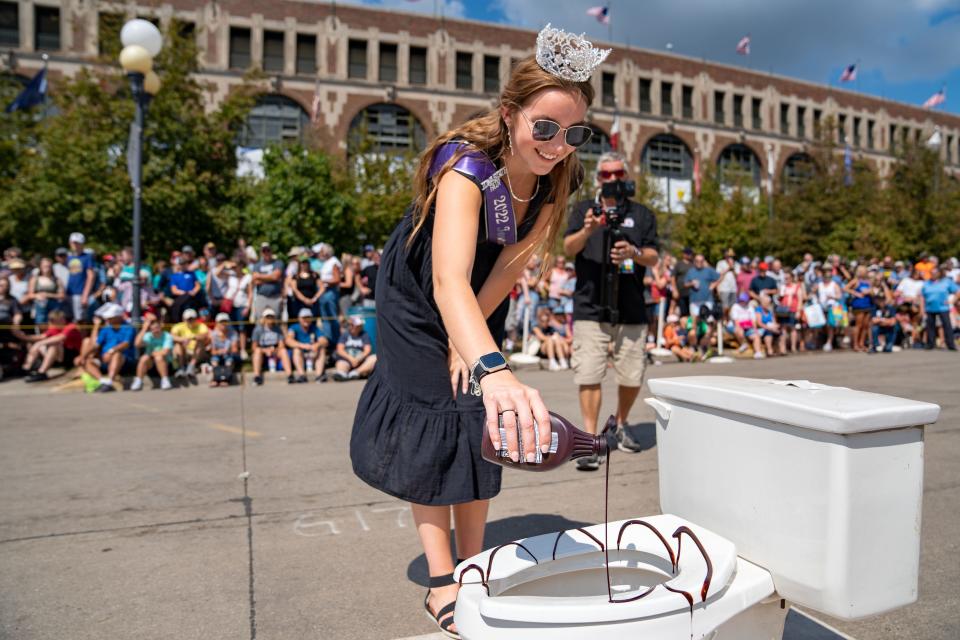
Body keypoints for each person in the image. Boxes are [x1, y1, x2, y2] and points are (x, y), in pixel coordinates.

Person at [349, 27, 604, 638]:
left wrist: (476, 350)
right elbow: (444, 282)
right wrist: (491, 367)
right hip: (417, 292)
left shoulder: (552, 182)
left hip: (475, 291)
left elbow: (509, 268)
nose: (557, 144)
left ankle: (475, 563)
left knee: (478, 418)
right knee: (436, 414)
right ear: (511, 115)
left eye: (575, 134)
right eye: (544, 128)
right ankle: (443, 580)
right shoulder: (466, 168)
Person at [563, 151, 659, 466]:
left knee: (632, 375)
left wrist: (633, 251)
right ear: (598, 179)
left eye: (619, 174)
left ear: (626, 175)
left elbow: (653, 256)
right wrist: (588, 230)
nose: (613, 180)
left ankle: (620, 422)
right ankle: (591, 438)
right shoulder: (583, 211)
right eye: (607, 175)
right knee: (589, 372)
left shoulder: (641, 214)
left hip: (630, 307)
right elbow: (567, 248)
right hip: (591, 306)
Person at [78, 302, 136, 392]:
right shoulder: (106, 329)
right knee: (88, 361)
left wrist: (111, 351)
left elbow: (126, 344)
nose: (108, 320)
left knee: (117, 355)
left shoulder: (128, 328)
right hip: (105, 359)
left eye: (111, 318)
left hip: (124, 361)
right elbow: (96, 345)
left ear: (118, 317)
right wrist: (83, 356)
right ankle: (103, 381)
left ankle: (110, 381)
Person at [21, 310, 82, 382]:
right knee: (40, 346)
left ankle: (42, 372)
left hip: (73, 355)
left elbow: (61, 337)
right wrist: (22, 336)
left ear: (61, 319)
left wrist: (39, 343)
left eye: (53, 321)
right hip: (61, 355)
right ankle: (26, 369)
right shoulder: (55, 328)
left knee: (53, 344)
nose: (51, 323)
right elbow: (42, 337)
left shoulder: (71, 327)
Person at [251, 307, 293, 385]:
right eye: (268, 317)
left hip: (275, 349)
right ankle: (256, 376)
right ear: (264, 318)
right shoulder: (258, 329)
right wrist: (265, 350)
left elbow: (281, 344)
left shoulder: (277, 329)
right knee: (257, 351)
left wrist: (274, 350)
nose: (269, 319)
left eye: (271, 316)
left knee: (283, 351)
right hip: (262, 349)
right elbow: (254, 346)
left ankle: (289, 375)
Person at [131, 314, 174, 391]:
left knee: (158, 357)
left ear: (161, 327)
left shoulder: (167, 336)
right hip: (151, 365)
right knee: (144, 358)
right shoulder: (148, 336)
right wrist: (144, 329)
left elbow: (165, 352)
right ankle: (138, 380)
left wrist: (152, 353)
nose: (155, 330)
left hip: (166, 364)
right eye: (153, 329)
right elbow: (137, 344)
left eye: (157, 328)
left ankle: (165, 380)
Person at [286, 308, 329, 383]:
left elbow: (324, 341)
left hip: (312, 353)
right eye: (304, 318)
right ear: (299, 318)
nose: (306, 320)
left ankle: (319, 376)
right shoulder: (294, 327)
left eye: (308, 317)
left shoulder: (314, 328)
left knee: (322, 349)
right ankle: (302, 375)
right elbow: (288, 341)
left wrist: (317, 344)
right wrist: (303, 345)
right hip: (301, 354)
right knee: (296, 350)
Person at [919, 267, 958, 350]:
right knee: (930, 327)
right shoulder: (926, 283)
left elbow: (957, 292)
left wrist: (952, 301)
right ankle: (930, 344)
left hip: (943, 308)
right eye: (932, 273)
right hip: (929, 308)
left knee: (947, 326)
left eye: (935, 272)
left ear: (939, 273)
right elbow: (922, 297)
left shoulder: (946, 282)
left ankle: (950, 344)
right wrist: (922, 308)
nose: (933, 274)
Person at [333, 316, 377, 381]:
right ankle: (342, 373)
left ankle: (356, 372)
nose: (359, 327)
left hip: (360, 361)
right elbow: (340, 350)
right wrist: (351, 359)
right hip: (346, 359)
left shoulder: (364, 335)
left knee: (374, 358)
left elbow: (367, 350)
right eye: (356, 325)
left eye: (359, 325)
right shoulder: (345, 335)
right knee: (340, 363)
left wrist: (358, 359)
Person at [170, 308, 210, 379]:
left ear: (196, 318)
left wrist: (192, 337)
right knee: (178, 344)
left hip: (198, 353)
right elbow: (172, 337)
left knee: (200, 342)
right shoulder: (178, 326)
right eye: (188, 319)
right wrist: (183, 339)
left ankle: (191, 366)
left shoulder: (201, 326)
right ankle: (181, 368)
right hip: (185, 352)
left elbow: (205, 335)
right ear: (184, 319)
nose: (190, 321)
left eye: (192, 319)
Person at [24, 257, 65, 324]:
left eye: (49, 266)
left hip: (53, 307)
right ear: (40, 267)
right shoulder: (34, 279)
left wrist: (48, 295)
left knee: (54, 322)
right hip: (40, 305)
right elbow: (30, 295)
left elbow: (62, 295)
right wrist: (37, 296)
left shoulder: (57, 280)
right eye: (45, 266)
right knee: (41, 321)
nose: (47, 269)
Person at [65, 232, 96, 321]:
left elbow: (91, 276)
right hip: (67, 293)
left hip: (79, 293)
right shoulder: (68, 257)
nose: (75, 245)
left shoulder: (87, 257)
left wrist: (85, 295)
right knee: (69, 319)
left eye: (77, 243)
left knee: (80, 320)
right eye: (73, 242)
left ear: (82, 244)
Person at [251, 242, 285, 320]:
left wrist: (260, 277)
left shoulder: (278, 263)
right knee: (260, 320)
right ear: (261, 253)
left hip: (275, 297)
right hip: (261, 296)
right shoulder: (257, 265)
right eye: (264, 251)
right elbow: (255, 280)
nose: (266, 253)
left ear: (271, 251)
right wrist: (271, 278)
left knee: (276, 320)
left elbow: (276, 276)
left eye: (268, 250)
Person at [845, 265, 874, 352]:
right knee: (858, 325)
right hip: (859, 305)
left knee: (865, 325)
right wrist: (856, 293)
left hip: (867, 304)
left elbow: (872, 292)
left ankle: (862, 343)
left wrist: (869, 292)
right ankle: (855, 344)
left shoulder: (868, 282)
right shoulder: (856, 281)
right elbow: (846, 288)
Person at [683, 253, 720, 320]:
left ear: (703, 261)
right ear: (694, 261)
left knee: (709, 321)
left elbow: (719, 277)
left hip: (707, 300)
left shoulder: (709, 270)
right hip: (694, 301)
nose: (699, 263)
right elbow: (685, 284)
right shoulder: (691, 271)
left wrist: (714, 285)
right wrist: (691, 283)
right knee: (695, 321)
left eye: (701, 261)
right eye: (697, 261)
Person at [531, 305, 568, 370]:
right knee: (550, 339)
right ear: (540, 319)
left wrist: (556, 338)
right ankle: (552, 362)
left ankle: (562, 360)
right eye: (543, 321)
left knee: (557, 339)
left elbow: (558, 337)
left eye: (547, 320)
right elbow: (542, 338)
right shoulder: (536, 327)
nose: (545, 323)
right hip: (539, 349)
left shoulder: (551, 328)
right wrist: (553, 337)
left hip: (551, 348)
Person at [208, 312, 240, 386]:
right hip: (218, 354)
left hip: (229, 354)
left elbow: (235, 350)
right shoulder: (214, 334)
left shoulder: (233, 333)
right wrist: (219, 351)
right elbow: (213, 351)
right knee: (214, 360)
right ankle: (215, 379)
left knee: (229, 360)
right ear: (217, 323)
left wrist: (228, 350)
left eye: (225, 321)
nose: (223, 324)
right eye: (221, 322)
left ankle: (226, 379)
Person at [777, 271, 805, 354]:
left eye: (788, 278)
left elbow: (800, 300)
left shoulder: (796, 287)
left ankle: (793, 347)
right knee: (783, 328)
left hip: (793, 310)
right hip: (783, 310)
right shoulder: (783, 287)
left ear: (792, 278)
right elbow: (779, 299)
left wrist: (798, 311)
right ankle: (783, 348)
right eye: (785, 278)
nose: (786, 280)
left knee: (793, 328)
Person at [288, 255, 322, 319]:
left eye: (306, 262)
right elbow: (295, 290)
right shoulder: (295, 277)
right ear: (299, 264)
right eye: (303, 263)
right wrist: (305, 300)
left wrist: (314, 299)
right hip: (299, 303)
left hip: (312, 303)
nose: (304, 264)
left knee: (312, 320)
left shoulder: (314, 275)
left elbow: (322, 288)